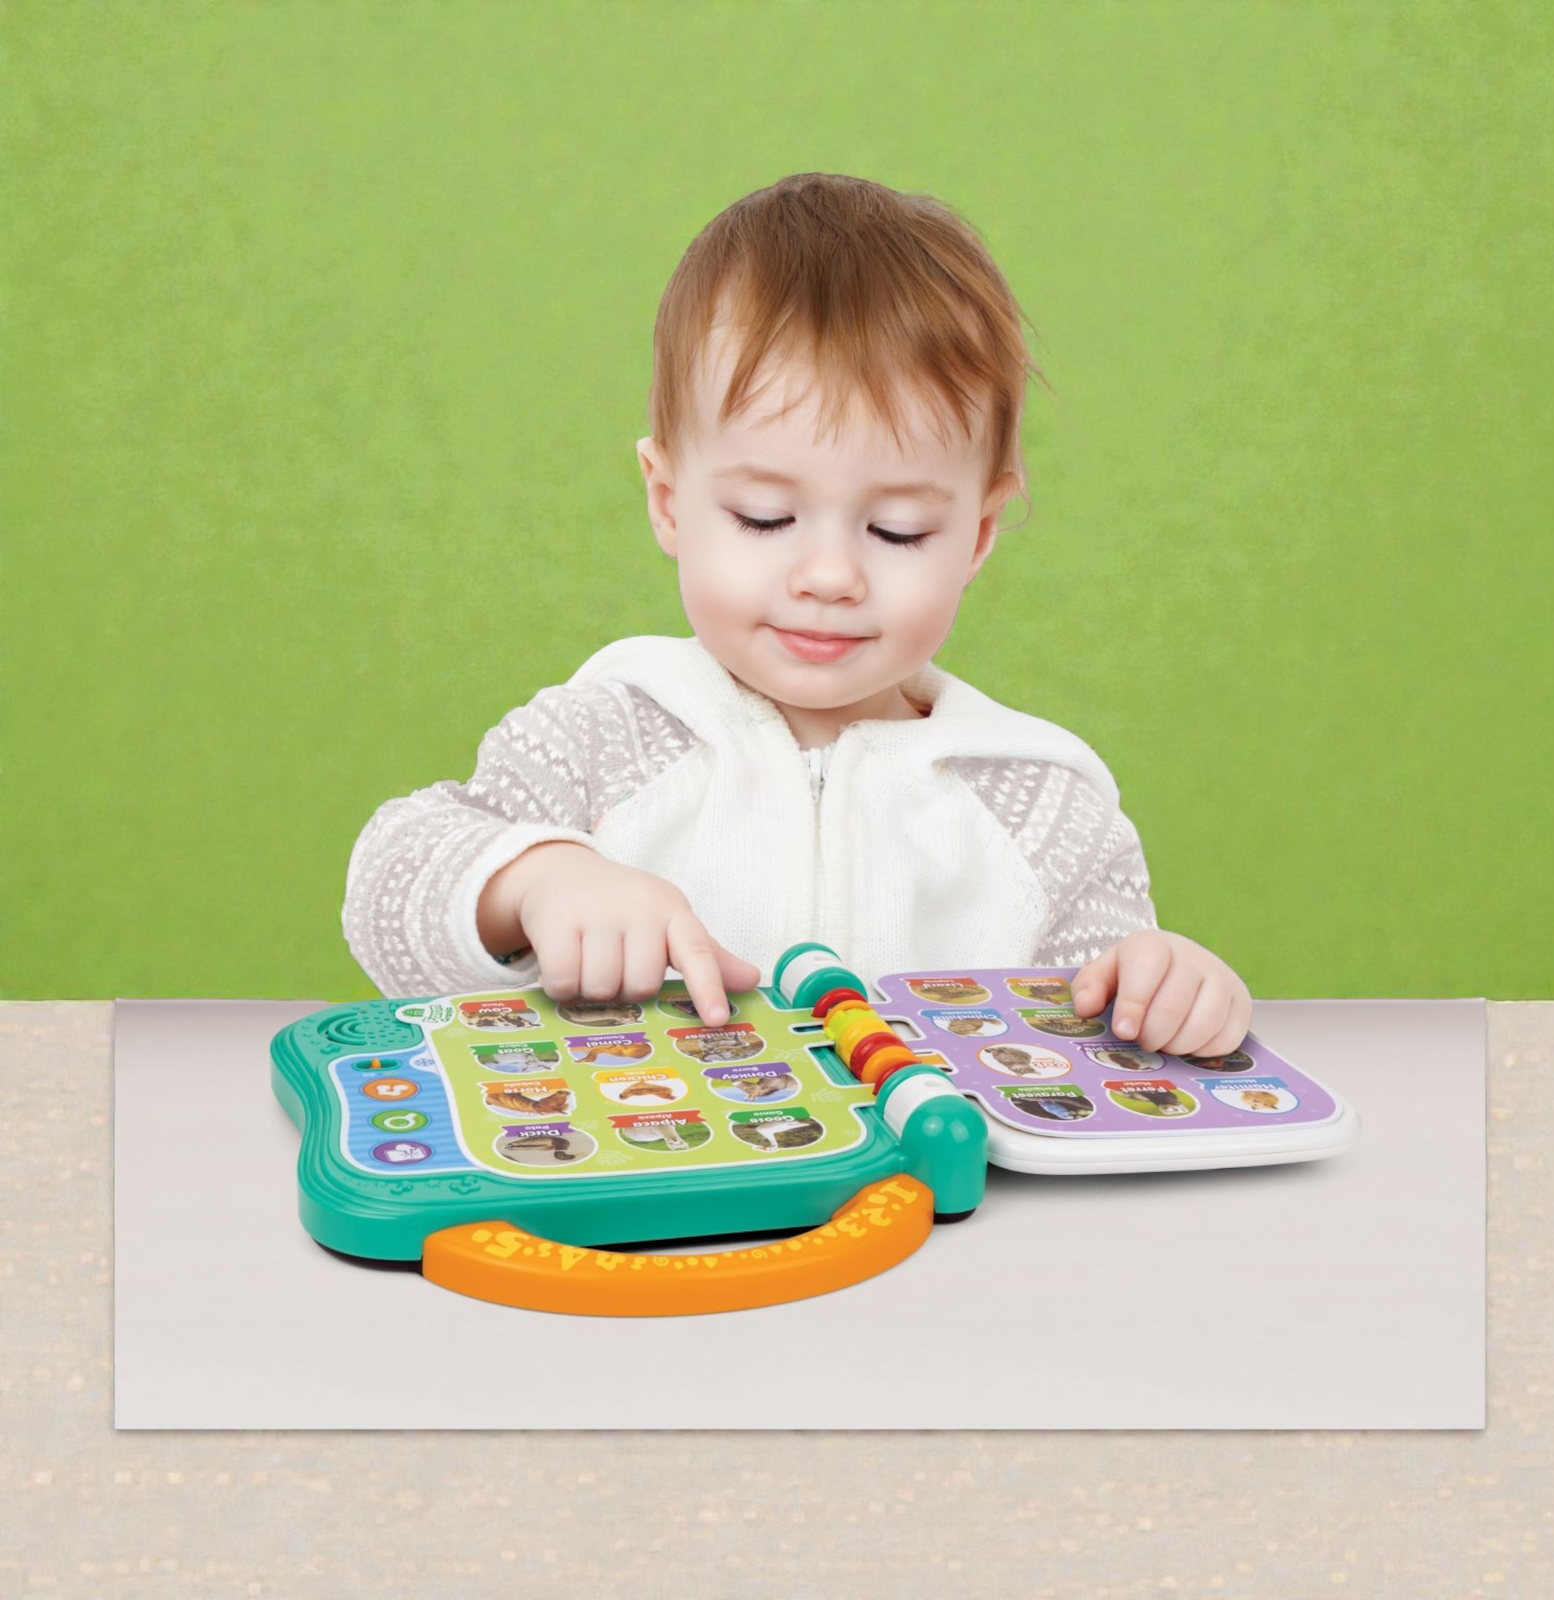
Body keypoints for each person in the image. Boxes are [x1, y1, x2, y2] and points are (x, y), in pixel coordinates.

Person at [343, 173, 1252, 1057]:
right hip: (646, 1154)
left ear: (977, 535)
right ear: (668, 501)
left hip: (945, 1165)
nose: (829, 576)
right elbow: (386, 892)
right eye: (765, 518)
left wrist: (1163, 986)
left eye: (897, 530)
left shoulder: (1041, 808)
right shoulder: (601, 742)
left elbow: (1102, 1019)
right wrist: (537, 878)